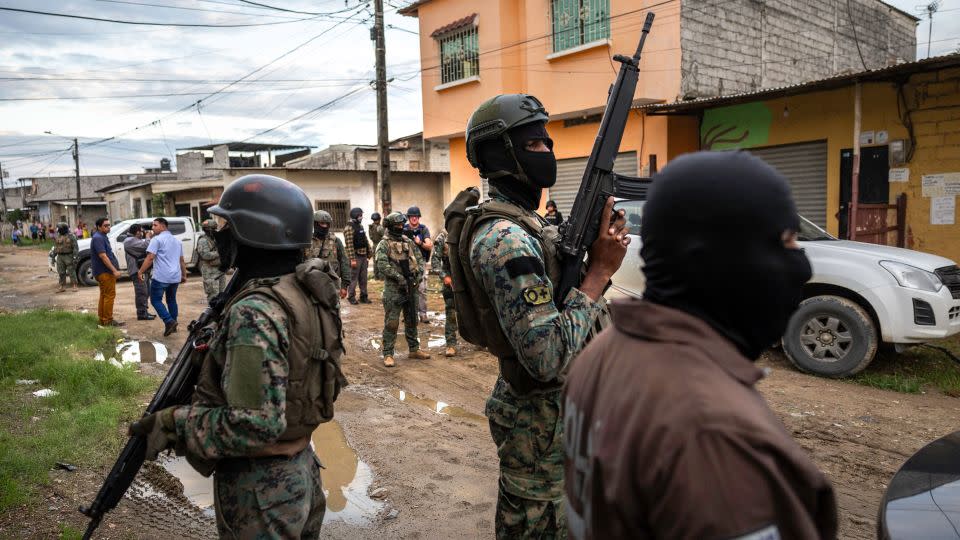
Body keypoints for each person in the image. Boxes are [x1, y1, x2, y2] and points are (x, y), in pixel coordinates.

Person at [563, 152, 837, 540]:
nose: (802, 265)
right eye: (787, 241)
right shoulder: (714, 436)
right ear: (719, 259)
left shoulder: (602, 353)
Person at [128, 174, 344, 539]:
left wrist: (171, 425)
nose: (218, 233)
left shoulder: (255, 311)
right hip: (300, 471)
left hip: (261, 489)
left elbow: (255, 424)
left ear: (254, 232)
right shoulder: (300, 290)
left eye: (226, 225)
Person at [459, 94, 629, 539]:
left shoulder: (531, 228)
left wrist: (597, 259)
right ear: (501, 154)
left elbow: (567, 309)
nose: (549, 153)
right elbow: (547, 356)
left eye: (549, 143)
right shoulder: (505, 240)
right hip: (538, 426)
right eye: (535, 144)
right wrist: (599, 273)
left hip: (562, 418)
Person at [374, 212, 430, 368]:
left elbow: (419, 260)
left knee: (412, 319)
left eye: (401, 225)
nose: (400, 227)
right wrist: (399, 278)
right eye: (397, 225)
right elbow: (382, 265)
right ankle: (388, 354)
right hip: (394, 289)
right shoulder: (384, 244)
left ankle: (414, 349)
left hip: (410, 287)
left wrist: (417, 277)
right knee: (392, 322)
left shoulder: (408, 241)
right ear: (391, 227)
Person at [138, 217, 187, 336]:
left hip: (161, 276)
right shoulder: (177, 241)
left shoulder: (157, 240)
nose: (152, 228)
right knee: (171, 300)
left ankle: (169, 321)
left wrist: (140, 271)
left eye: (155, 225)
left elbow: (150, 258)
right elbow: (181, 261)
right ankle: (173, 324)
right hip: (175, 276)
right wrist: (184, 275)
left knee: (155, 300)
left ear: (163, 226)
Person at [305, 210, 349, 299]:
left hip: (331, 284)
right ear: (315, 224)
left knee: (332, 310)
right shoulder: (306, 241)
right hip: (310, 284)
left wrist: (344, 286)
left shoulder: (336, 241)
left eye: (327, 224)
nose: (325, 226)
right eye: (322, 223)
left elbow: (344, 262)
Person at [91, 217, 124, 327]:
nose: (108, 227)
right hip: (104, 272)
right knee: (109, 296)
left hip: (104, 271)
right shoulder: (98, 238)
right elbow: (103, 256)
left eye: (109, 225)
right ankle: (107, 320)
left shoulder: (102, 236)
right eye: (105, 226)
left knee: (104, 295)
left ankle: (103, 319)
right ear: (99, 227)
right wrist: (114, 270)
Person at [402, 206, 432, 323]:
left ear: (418, 217)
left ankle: (423, 314)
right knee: (406, 288)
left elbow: (429, 245)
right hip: (406, 262)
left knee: (422, 288)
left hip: (420, 262)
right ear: (409, 217)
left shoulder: (423, 229)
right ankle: (408, 314)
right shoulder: (403, 228)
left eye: (416, 216)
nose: (414, 218)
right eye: (411, 216)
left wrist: (420, 243)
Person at [430, 230, 457, 357]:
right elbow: (435, 262)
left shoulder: (466, 231)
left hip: (468, 279)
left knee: (475, 310)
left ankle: (479, 340)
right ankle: (451, 344)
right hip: (450, 279)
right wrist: (444, 276)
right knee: (451, 312)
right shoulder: (443, 237)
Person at [123, 224, 155, 320]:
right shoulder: (129, 241)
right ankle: (141, 314)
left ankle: (144, 311)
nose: (143, 233)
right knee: (141, 292)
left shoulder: (134, 239)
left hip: (142, 270)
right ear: (137, 232)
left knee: (146, 292)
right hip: (137, 271)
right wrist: (148, 237)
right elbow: (148, 246)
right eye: (141, 231)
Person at [343, 207, 371, 305]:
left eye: (361, 215)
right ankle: (351, 297)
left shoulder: (360, 226)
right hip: (355, 256)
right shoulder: (349, 228)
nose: (361, 217)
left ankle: (364, 296)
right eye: (360, 215)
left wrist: (369, 253)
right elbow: (349, 245)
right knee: (353, 278)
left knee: (363, 278)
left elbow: (365, 240)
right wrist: (352, 259)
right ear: (355, 215)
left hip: (363, 256)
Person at [197, 219, 226, 303]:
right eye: (213, 229)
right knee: (213, 295)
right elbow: (205, 255)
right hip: (210, 272)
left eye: (215, 228)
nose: (215, 230)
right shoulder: (203, 240)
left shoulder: (215, 239)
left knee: (222, 295)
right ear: (207, 229)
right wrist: (220, 252)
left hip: (220, 271)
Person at [54, 222, 79, 293]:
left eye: (59, 228)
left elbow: (75, 248)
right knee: (61, 272)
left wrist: (75, 257)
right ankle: (62, 286)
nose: (58, 230)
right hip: (60, 256)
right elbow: (56, 247)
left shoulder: (71, 236)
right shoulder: (58, 236)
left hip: (69, 255)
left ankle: (74, 285)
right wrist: (53, 256)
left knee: (71, 271)